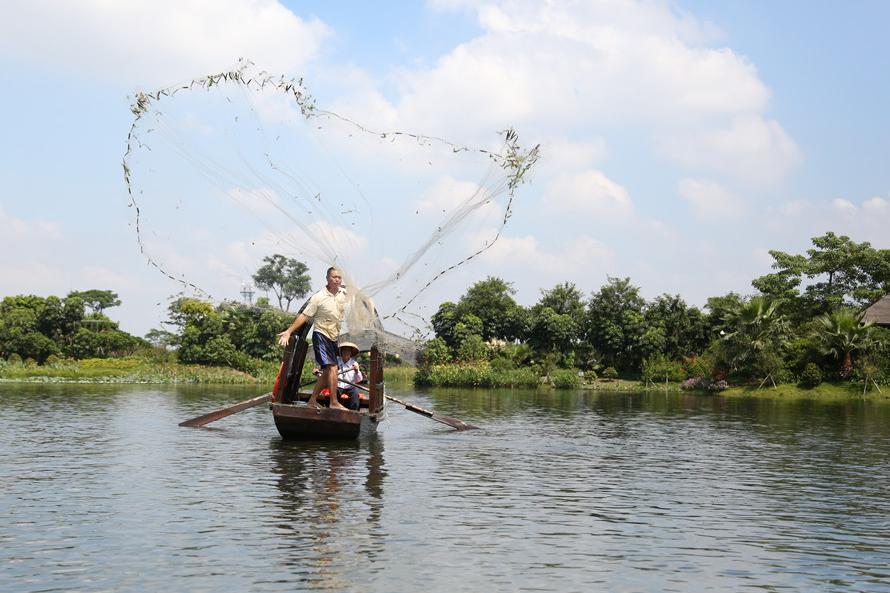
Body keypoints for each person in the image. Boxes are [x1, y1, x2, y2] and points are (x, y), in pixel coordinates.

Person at [278, 267, 348, 410]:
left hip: (334, 336)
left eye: (339, 277)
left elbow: (357, 296)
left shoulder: (343, 293)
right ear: (327, 278)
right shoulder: (319, 297)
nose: (337, 279)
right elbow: (304, 316)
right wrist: (289, 332)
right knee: (333, 367)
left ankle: (312, 401)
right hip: (321, 335)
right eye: (334, 277)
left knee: (329, 371)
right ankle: (334, 402)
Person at [336, 342, 364, 411]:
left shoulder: (354, 363)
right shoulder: (335, 362)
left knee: (355, 393)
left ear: (351, 353)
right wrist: (318, 373)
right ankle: (332, 410)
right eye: (344, 350)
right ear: (341, 352)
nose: (346, 352)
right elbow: (327, 374)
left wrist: (357, 371)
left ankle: (354, 412)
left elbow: (359, 380)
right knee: (333, 391)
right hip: (338, 386)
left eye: (348, 351)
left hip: (350, 386)